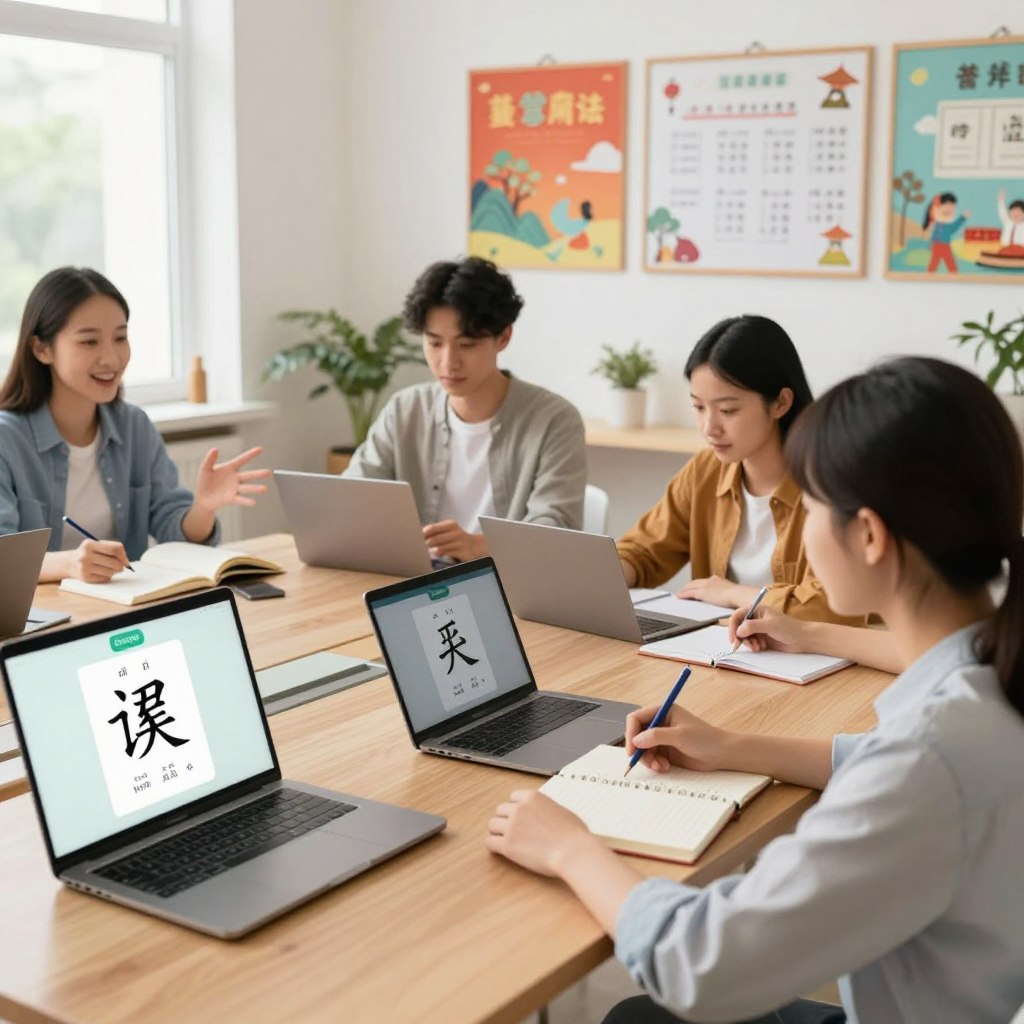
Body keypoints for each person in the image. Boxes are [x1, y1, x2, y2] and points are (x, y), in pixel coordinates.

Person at [486, 356, 1024, 1023]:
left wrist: (568, 846)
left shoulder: (931, 759)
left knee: (642, 1015)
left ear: (869, 535)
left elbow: (700, 965)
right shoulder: (987, 688)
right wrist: (731, 745)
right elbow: (889, 767)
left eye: (814, 503)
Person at [0, 267, 270, 583]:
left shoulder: (133, 426)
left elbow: (176, 533)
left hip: (123, 610)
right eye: (89, 342)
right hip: (38, 619)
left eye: (120, 337)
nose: (112, 358)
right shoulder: (7, 438)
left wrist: (203, 508)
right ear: (41, 349)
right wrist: (70, 565)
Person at [345, 257, 586, 562]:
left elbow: (557, 530)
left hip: (507, 590)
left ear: (504, 337)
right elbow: (353, 494)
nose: (448, 362)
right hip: (410, 583)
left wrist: (481, 547)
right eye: (434, 343)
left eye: (467, 345)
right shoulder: (405, 409)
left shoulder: (554, 420)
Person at [617, 314, 851, 623]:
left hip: (815, 662)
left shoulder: (830, 481)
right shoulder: (705, 471)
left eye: (728, 410)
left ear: (781, 403)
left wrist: (734, 594)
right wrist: (613, 573)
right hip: (723, 651)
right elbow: (645, 551)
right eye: (699, 407)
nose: (709, 427)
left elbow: (834, 606)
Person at [923, 191, 970, 273]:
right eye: (945, 212)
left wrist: (962, 218)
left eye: (951, 211)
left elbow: (954, 227)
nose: (950, 213)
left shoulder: (944, 225)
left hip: (944, 246)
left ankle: (952, 273)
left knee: (948, 264)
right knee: (936, 264)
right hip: (938, 246)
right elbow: (935, 234)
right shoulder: (936, 224)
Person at [996, 187, 1024, 254]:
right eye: (1013, 212)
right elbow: (1002, 212)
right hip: (1006, 248)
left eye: (1019, 213)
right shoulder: (1008, 222)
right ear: (1009, 213)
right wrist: (1001, 200)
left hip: (1021, 250)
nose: (1016, 214)